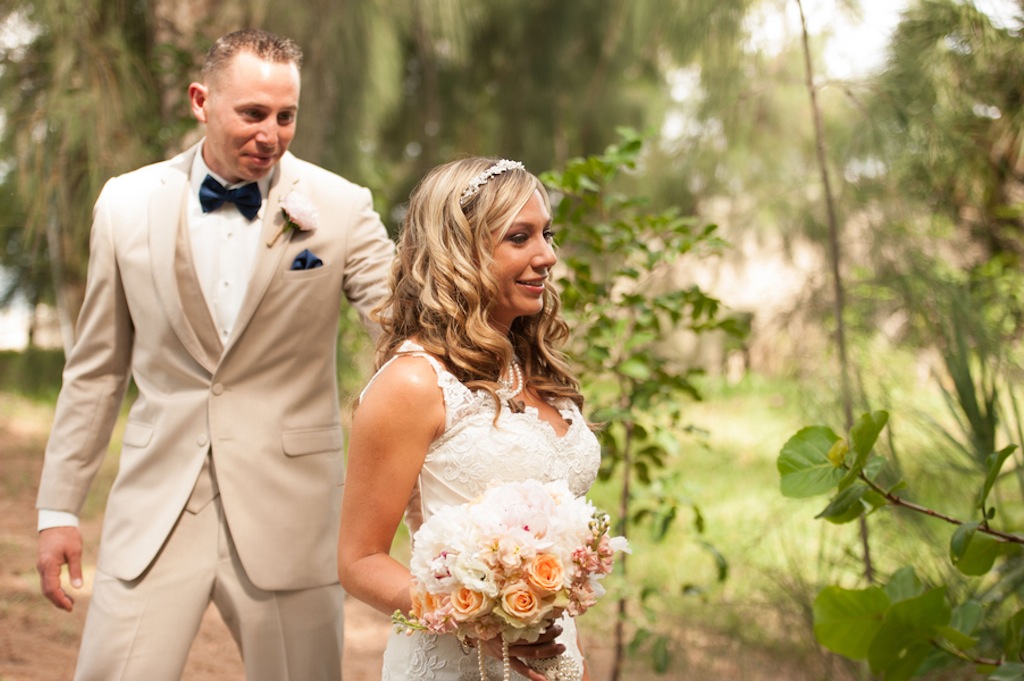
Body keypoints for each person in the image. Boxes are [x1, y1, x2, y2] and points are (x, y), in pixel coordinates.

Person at [34, 28, 395, 680]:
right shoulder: (124, 204)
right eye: (252, 113)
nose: (272, 133)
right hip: (157, 510)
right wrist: (58, 509)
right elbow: (96, 370)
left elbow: (403, 331)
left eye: (286, 116)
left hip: (290, 509)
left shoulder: (341, 208)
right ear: (202, 100)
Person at [337, 157, 601, 680]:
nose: (547, 255)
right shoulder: (414, 384)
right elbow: (359, 560)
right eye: (519, 237)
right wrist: (481, 619)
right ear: (461, 249)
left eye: (546, 234)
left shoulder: (535, 367)